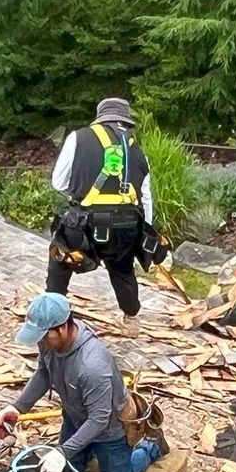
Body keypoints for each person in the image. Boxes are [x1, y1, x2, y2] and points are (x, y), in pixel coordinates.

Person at [0, 291, 160, 472]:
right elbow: (44, 372)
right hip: (75, 418)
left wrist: (63, 451)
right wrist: (18, 407)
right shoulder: (49, 342)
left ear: (63, 327)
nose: (42, 342)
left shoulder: (92, 365)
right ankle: (85, 450)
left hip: (109, 429)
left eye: (45, 336)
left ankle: (150, 447)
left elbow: (99, 420)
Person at [46, 95, 167, 319]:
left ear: (100, 119)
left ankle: (53, 313)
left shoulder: (77, 138)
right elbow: (145, 199)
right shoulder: (140, 153)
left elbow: (58, 182)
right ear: (125, 122)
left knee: (60, 258)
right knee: (122, 268)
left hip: (84, 227)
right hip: (126, 228)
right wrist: (143, 233)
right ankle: (131, 315)